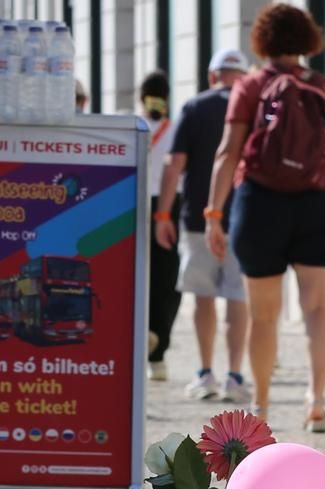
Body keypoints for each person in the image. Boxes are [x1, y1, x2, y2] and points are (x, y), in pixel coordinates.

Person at [204, 3, 325, 430]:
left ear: (263, 40)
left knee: (264, 314)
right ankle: (317, 399)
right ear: (308, 39)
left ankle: (262, 405)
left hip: (260, 205)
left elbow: (227, 152)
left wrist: (214, 213)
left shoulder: (251, 85)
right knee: (320, 310)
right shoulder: (323, 86)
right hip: (320, 204)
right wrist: (320, 186)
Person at [158, 48, 251, 403]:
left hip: (198, 216)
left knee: (204, 297)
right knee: (238, 298)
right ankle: (236, 375)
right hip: (242, 217)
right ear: (243, 77)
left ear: (213, 76)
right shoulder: (252, 107)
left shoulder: (195, 107)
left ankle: (205, 372)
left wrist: (163, 214)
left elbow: (173, 163)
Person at [142, 72, 179, 383]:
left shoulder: (135, 128)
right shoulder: (176, 129)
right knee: (167, 282)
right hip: (171, 207)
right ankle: (158, 350)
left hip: (137, 205)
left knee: (140, 278)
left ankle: (142, 340)